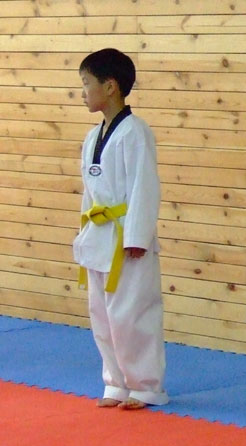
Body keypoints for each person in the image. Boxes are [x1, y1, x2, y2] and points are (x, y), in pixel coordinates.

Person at [74, 48, 168, 409]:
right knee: (102, 315)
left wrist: (138, 237)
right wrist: (83, 235)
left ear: (110, 86)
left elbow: (145, 186)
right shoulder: (91, 137)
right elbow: (90, 193)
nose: (83, 92)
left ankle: (146, 385)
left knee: (133, 314)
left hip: (128, 238)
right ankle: (115, 382)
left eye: (86, 84)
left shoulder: (135, 131)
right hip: (99, 235)